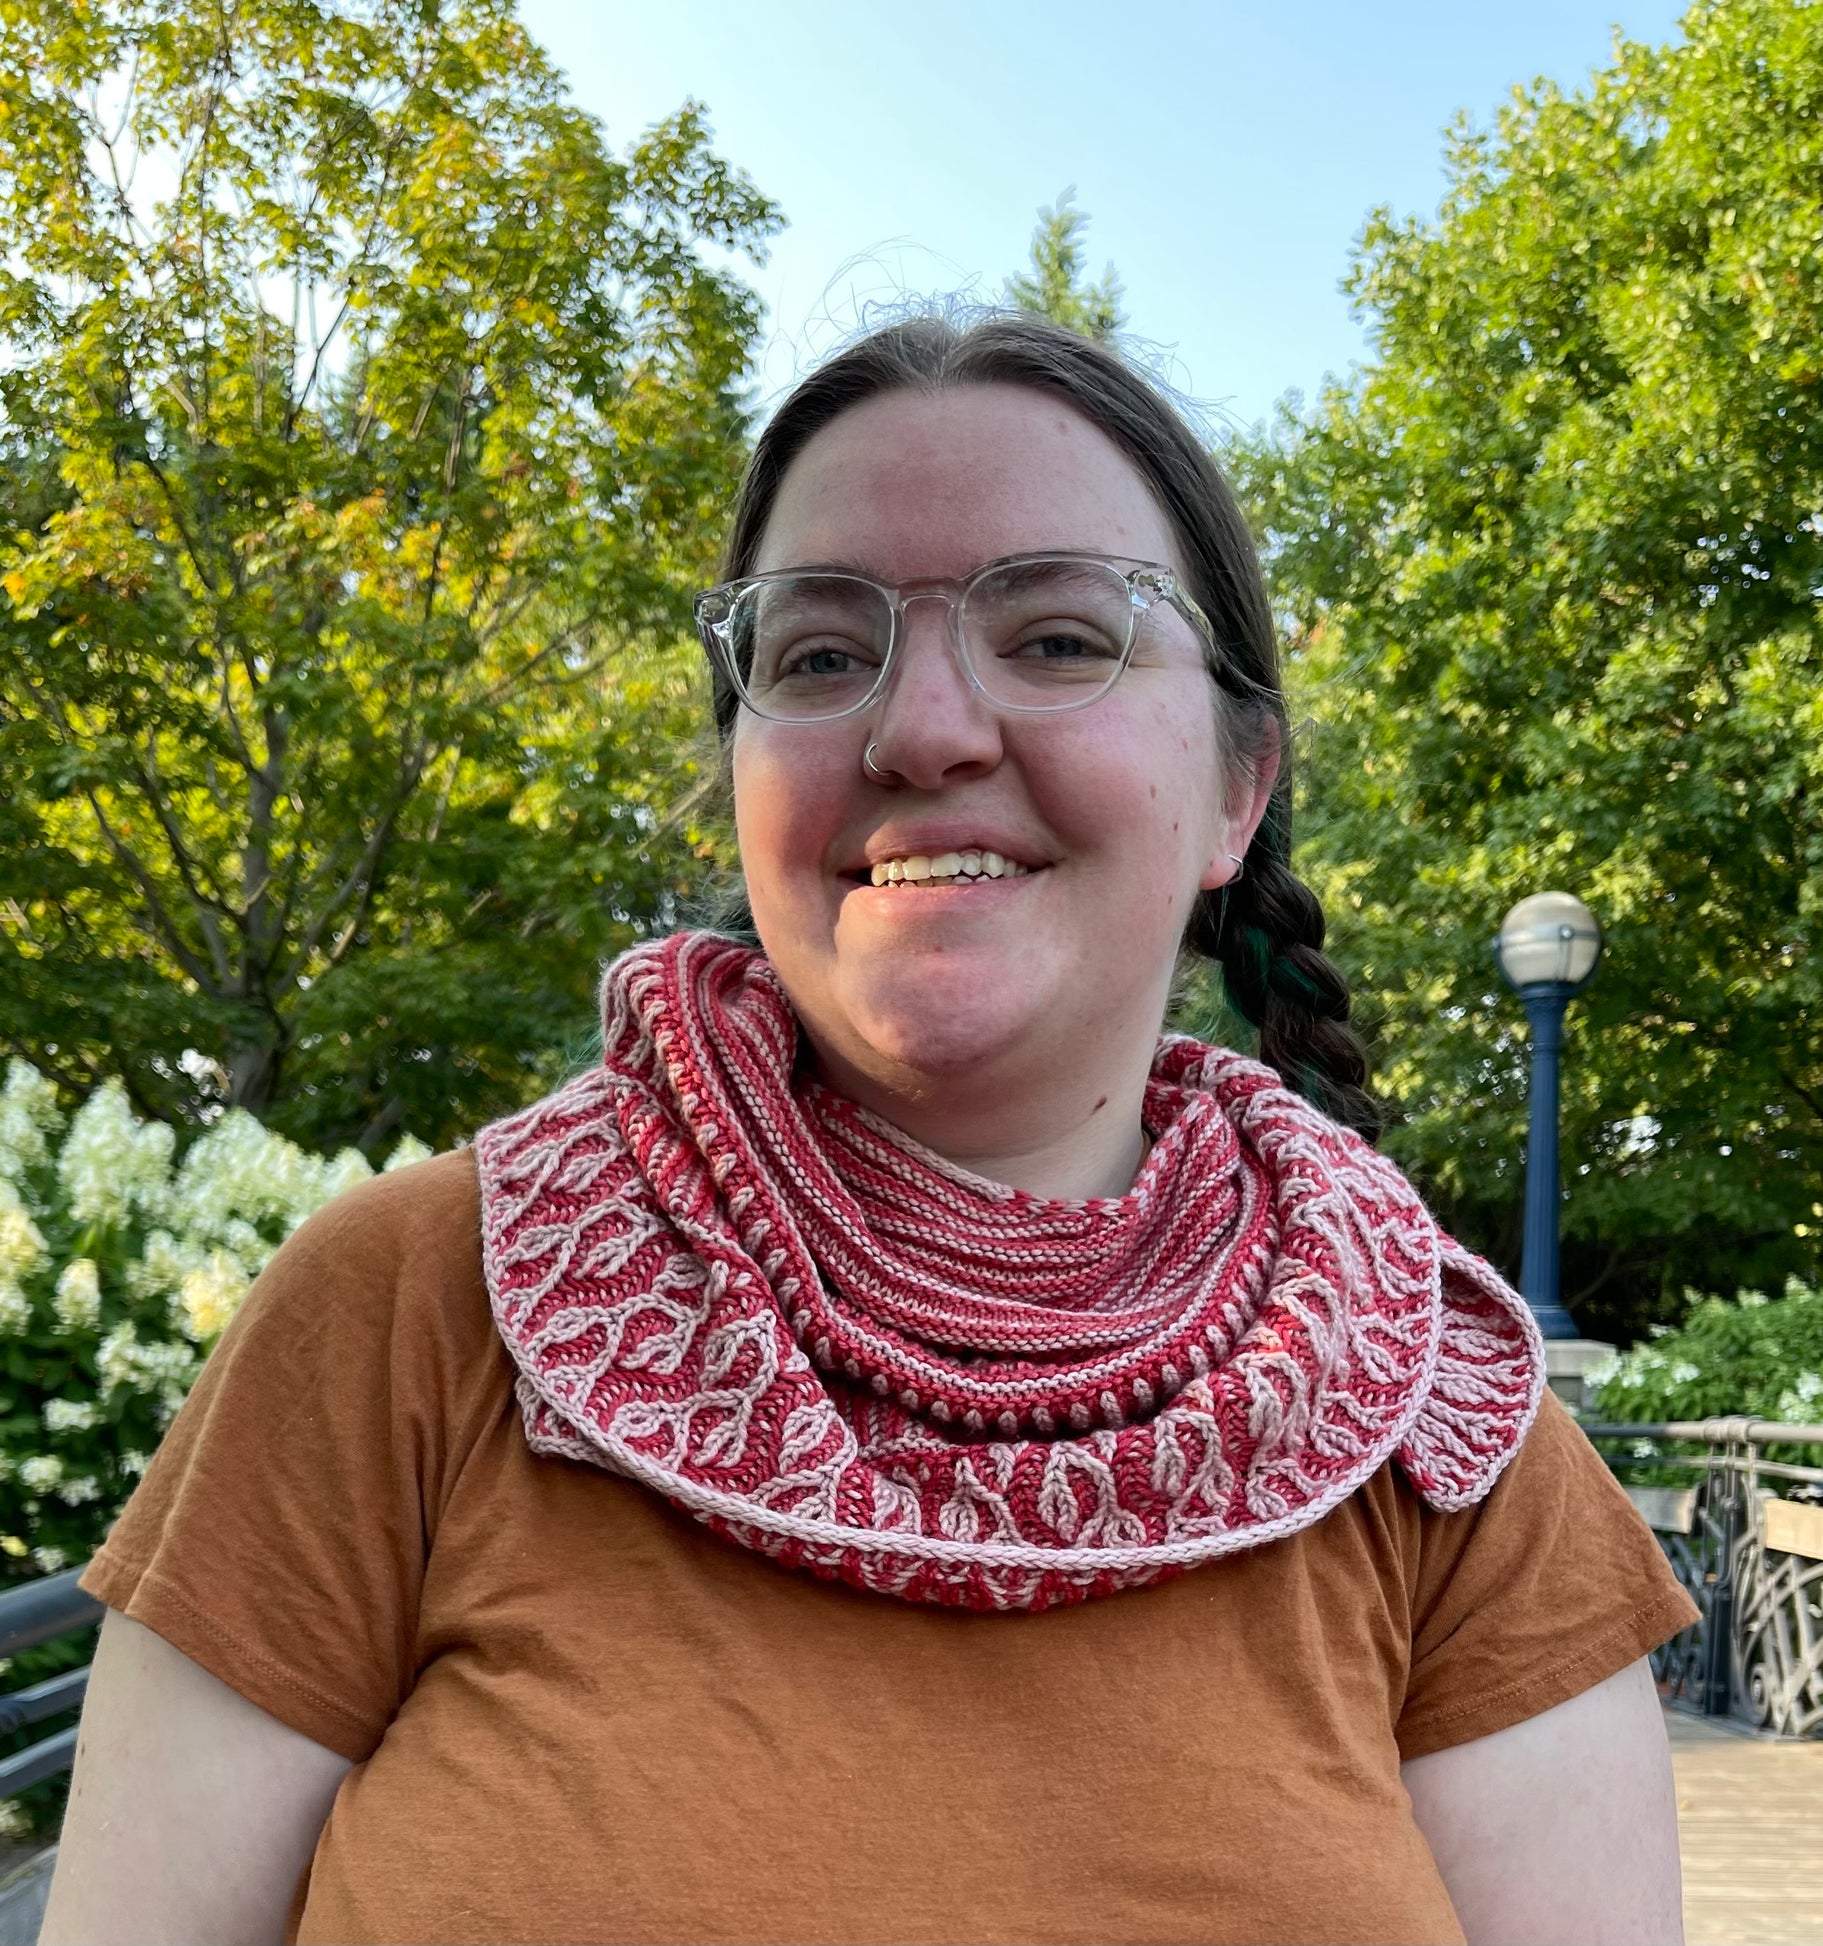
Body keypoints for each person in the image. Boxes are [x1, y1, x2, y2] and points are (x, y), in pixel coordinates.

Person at [44, 312, 1696, 1946]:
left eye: (1056, 638)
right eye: (821, 652)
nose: (919, 731)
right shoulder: (409, 1315)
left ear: (1236, 788)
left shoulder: (1436, 1428)